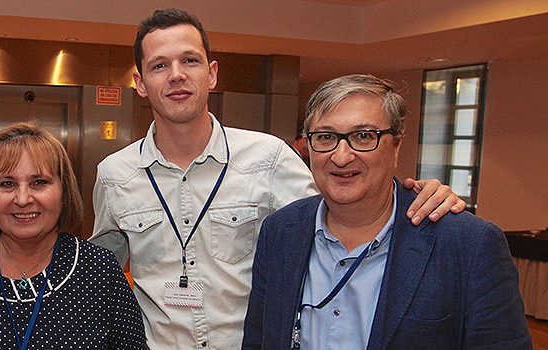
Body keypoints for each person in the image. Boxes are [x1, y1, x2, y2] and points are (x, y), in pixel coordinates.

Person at [89, 9, 466, 349]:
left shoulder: (268, 158)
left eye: (190, 60)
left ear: (212, 73)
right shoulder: (114, 175)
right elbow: (98, 271)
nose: (176, 75)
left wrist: (412, 194)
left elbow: (340, 216)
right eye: (159, 66)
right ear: (139, 83)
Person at [241, 74, 531, 349]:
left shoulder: (467, 244)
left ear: (396, 147)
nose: (341, 156)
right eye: (326, 137)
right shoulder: (280, 231)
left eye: (364, 136)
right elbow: (258, 339)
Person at [0, 122, 147, 350]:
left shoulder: (99, 269)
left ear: (64, 191)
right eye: (7, 184)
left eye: (39, 182)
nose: (22, 199)